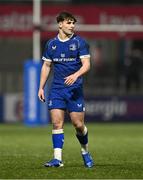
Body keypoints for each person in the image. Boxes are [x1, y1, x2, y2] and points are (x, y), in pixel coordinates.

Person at [38, 11, 94, 168]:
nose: (72, 26)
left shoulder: (79, 42)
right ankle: (57, 159)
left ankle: (85, 151)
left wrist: (76, 75)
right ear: (60, 24)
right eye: (69, 23)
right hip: (57, 89)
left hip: (74, 90)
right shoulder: (51, 44)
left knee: (78, 125)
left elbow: (87, 65)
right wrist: (41, 87)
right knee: (56, 123)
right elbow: (46, 66)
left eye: (73, 23)